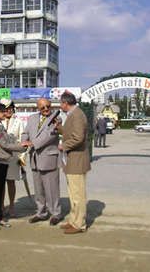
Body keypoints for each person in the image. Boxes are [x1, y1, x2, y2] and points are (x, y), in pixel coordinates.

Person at [0, 101, 31, 230]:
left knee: (3, 187)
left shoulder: (7, 124)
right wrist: (22, 147)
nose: (6, 112)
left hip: (8, 159)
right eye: (3, 110)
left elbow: (15, 139)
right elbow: (5, 144)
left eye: (9, 109)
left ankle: (0, 216)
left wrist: (22, 154)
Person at [21, 98, 62, 226]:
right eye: (42, 107)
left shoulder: (56, 118)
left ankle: (55, 213)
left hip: (49, 158)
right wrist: (24, 142)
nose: (46, 109)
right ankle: (41, 213)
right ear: (37, 107)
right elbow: (25, 132)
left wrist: (33, 143)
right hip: (34, 158)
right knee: (38, 189)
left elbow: (51, 135)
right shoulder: (32, 118)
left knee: (52, 189)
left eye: (48, 106)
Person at [56, 92, 91, 234]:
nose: (60, 105)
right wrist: (59, 128)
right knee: (73, 193)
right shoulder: (74, 114)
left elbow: (78, 138)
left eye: (60, 103)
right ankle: (73, 220)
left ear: (65, 103)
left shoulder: (77, 115)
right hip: (72, 160)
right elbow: (71, 133)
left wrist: (63, 146)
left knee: (78, 194)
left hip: (77, 159)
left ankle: (79, 224)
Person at [0, 99, 25, 218]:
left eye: (11, 108)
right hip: (0, 157)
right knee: (0, 182)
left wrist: (22, 157)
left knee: (11, 182)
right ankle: (1, 206)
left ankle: (11, 206)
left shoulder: (19, 122)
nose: (9, 110)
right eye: (6, 108)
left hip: (14, 156)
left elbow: (22, 141)